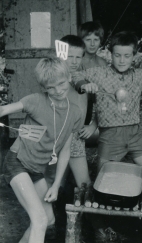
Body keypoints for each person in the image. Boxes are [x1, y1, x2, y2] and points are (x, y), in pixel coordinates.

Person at [1, 57, 82, 243]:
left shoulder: (75, 112)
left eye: (61, 83)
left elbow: (65, 151)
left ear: (69, 77)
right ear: (44, 87)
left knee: (49, 220)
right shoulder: (36, 101)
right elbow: (5, 109)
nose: (58, 90)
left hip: (37, 170)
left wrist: (55, 185)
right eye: (50, 87)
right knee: (40, 219)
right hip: (17, 162)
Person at [73, 31, 142, 178]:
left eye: (127, 56)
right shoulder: (99, 73)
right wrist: (83, 85)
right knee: (103, 181)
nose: (121, 60)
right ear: (110, 54)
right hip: (109, 138)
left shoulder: (139, 75)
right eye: (117, 55)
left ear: (134, 56)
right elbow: (76, 75)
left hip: (135, 136)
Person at [45, 35, 98, 188]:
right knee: (55, 180)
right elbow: (73, 80)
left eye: (78, 57)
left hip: (75, 137)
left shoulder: (84, 76)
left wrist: (93, 125)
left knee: (84, 182)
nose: (74, 61)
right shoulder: (54, 77)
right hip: (56, 135)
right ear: (60, 55)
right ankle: (55, 206)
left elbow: (101, 103)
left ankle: (84, 208)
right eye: (69, 56)